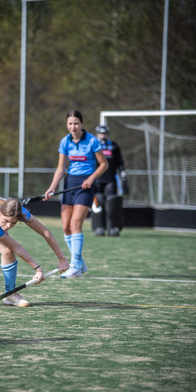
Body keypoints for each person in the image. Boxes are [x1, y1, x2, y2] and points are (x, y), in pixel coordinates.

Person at [44, 110, 108, 279]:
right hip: (70, 183)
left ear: (82, 124)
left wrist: (91, 178)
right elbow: (60, 168)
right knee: (65, 226)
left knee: (75, 224)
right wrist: (52, 187)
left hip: (85, 185)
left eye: (76, 123)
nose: (73, 127)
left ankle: (75, 266)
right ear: (67, 125)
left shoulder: (92, 141)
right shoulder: (65, 141)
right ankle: (79, 263)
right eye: (70, 124)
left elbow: (104, 165)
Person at [92, 124, 128, 236]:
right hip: (97, 180)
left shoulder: (114, 146)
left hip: (110, 180)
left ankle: (112, 227)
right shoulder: (93, 145)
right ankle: (98, 227)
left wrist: (122, 171)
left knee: (112, 203)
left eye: (104, 134)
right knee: (99, 202)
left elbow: (119, 162)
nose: (102, 136)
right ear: (97, 134)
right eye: (100, 134)